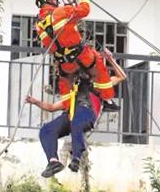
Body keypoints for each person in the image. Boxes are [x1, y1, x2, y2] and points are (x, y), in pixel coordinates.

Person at [27, 47, 127, 176]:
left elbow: (121, 76)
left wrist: (110, 59)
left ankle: (76, 158)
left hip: (86, 113)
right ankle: (53, 161)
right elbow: (51, 107)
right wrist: (34, 101)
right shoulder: (72, 93)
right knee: (46, 130)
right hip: (70, 116)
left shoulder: (98, 84)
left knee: (77, 121)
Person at [35, 0, 117, 108]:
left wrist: (69, 7)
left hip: (65, 64)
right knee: (98, 63)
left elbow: (59, 32)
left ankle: (68, 107)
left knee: (64, 82)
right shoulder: (62, 11)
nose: (57, 1)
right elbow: (84, 10)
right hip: (82, 57)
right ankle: (107, 99)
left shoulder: (38, 24)